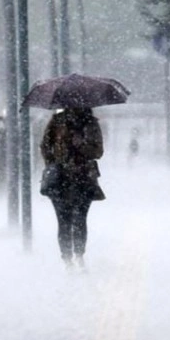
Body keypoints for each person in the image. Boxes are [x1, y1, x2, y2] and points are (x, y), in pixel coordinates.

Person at [40, 107, 105, 269]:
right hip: (60, 179)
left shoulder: (91, 123)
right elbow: (45, 146)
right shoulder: (57, 121)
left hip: (83, 178)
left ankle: (79, 255)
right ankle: (67, 258)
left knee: (80, 219)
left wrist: (81, 145)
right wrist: (53, 164)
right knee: (64, 220)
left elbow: (98, 152)